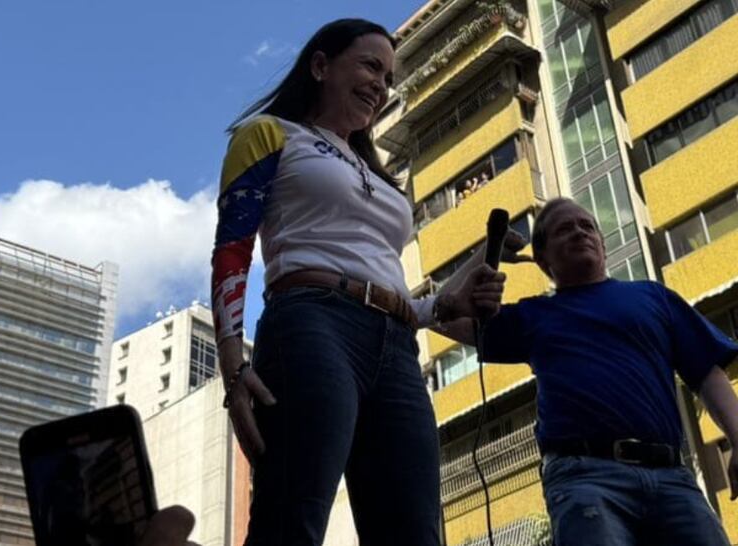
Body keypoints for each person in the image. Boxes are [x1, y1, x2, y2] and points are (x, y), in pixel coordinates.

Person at [210, 18, 518, 546]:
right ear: (320, 65)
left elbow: (386, 284)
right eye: (371, 66)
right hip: (312, 323)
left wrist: (444, 304)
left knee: (415, 532)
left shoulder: (378, 175)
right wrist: (233, 363)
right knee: (293, 515)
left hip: (398, 347)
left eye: (389, 78)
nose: (381, 85)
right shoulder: (269, 134)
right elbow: (232, 249)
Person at [470, 197, 738, 545]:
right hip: (584, 477)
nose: (579, 232)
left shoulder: (654, 297)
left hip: (671, 475)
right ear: (542, 259)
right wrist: (486, 254)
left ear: (603, 245)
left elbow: (707, 374)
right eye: (564, 229)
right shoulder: (533, 315)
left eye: (587, 226)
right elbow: (444, 315)